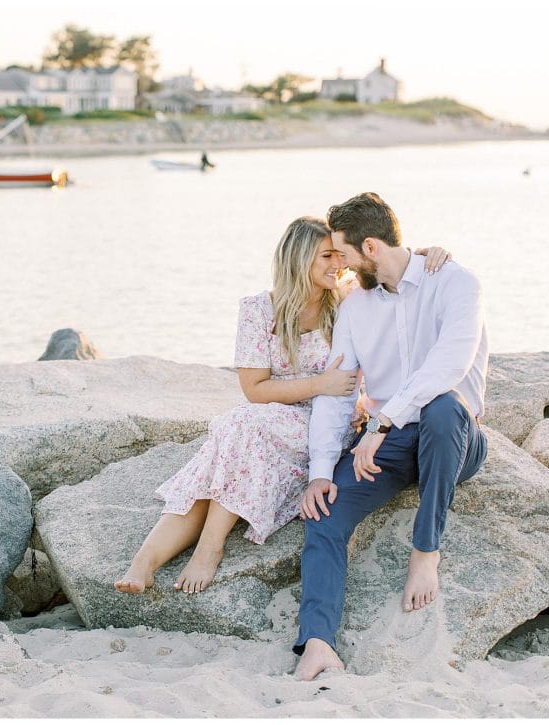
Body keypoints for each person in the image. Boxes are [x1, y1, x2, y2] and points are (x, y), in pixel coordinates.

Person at [114, 216, 451, 596]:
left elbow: (391, 268)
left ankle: (210, 545)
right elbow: (254, 389)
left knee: (237, 434)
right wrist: (319, 383)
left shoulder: (347, 299)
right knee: (216, 464)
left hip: (325, 425)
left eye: (339, 255)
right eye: (327, 256)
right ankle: (143, 563)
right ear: (298, 259)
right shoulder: (259, 310)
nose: (338, 264)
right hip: (266, 418)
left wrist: (424, 254)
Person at [293, 192, 488, 681]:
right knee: (326, 511)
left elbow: (449, 367)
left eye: (344, 252)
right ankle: (318, 642)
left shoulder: (456, 283)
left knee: (443, 407)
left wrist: (381, 423)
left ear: (372, 248)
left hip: (455, 438)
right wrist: (319, 473)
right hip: (392, 447)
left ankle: (426, 552)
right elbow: (339, 393)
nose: (339, 264)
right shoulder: (357, 307)